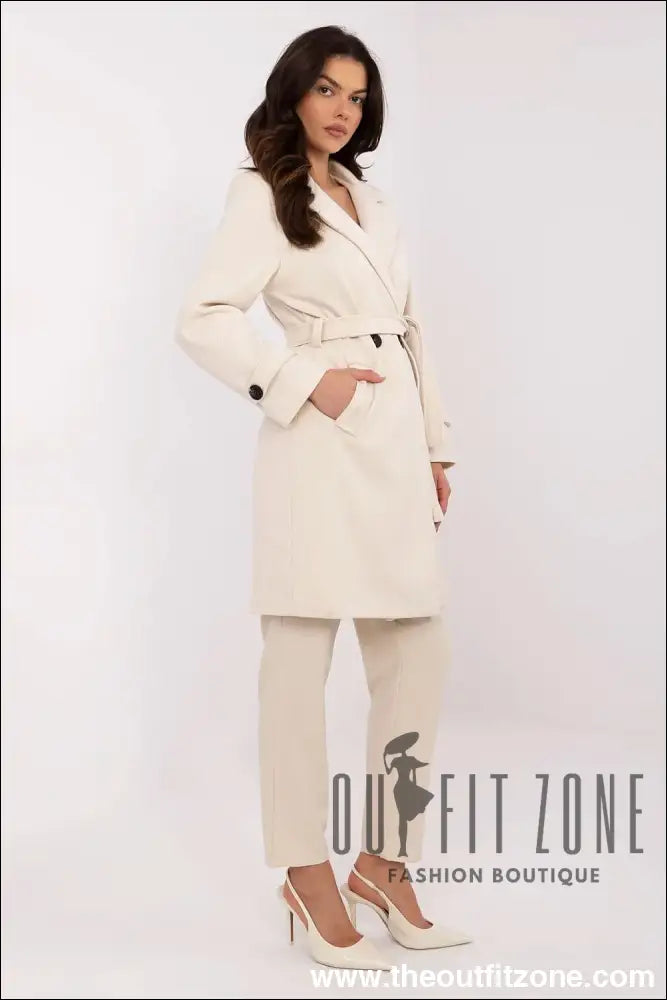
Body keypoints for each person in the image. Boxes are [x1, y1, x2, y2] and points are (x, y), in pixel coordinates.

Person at [174, 25, 470, 969]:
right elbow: (204, 317)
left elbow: (412, 325)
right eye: (327, 90)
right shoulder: (263, 192)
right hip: (315, 445)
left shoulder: (372, 201)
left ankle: (382, 865)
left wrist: (434, 446)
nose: (343, 110)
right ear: (293, 92)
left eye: (357, 95)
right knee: (298, 668)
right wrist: (309, 382)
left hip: (393, 447)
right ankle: (305, 877)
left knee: (416, 653)